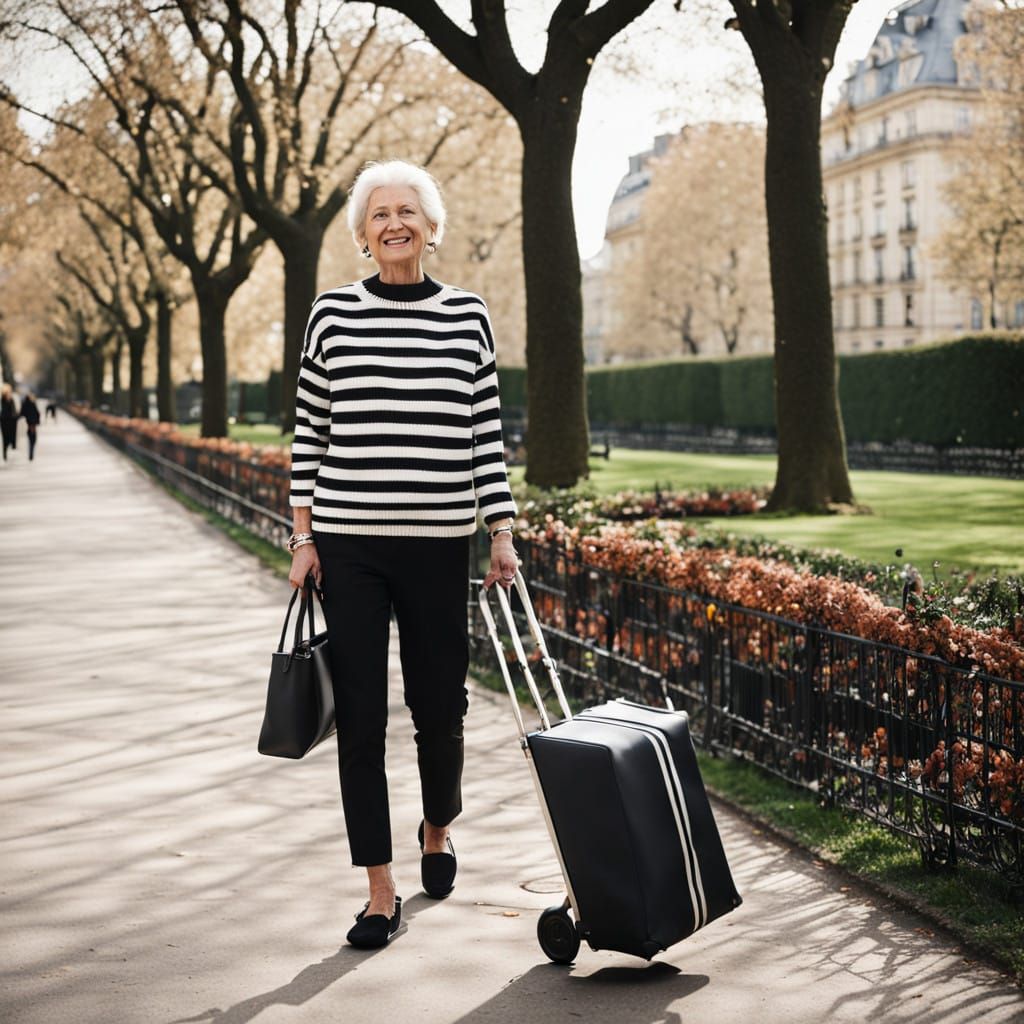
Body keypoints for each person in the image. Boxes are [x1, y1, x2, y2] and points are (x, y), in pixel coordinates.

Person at [287, 160, 519, 950]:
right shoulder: (332, 315)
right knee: (360, 717)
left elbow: (485, 432)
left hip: (436, 545)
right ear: (362, 231)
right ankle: (379, 889)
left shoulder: (467, 317)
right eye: (380, 213)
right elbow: (308, 434)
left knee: (440, 708)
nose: (395, 223)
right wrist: (303, 535)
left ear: (430, 224)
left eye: (408, 211)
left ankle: (437, 826)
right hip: (350, 544)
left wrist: (501, 530)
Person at [20, 393, 41, 460]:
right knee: (33, 439)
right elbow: (37, 413)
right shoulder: (33, 404)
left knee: (31, 439)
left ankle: (31, 453)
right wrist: (37, 422)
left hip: (29, 424)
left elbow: (22, 413)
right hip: (33, 424)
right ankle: (31, 453)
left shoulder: (24, 404)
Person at [1, 384, 18, 461]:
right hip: (4, 421)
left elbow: (14, 410)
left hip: (11, 421)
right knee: (5, 437)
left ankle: (10, 445)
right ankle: (5, 452)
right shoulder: (2, 400)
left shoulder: (11, 400)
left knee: (11, 435)